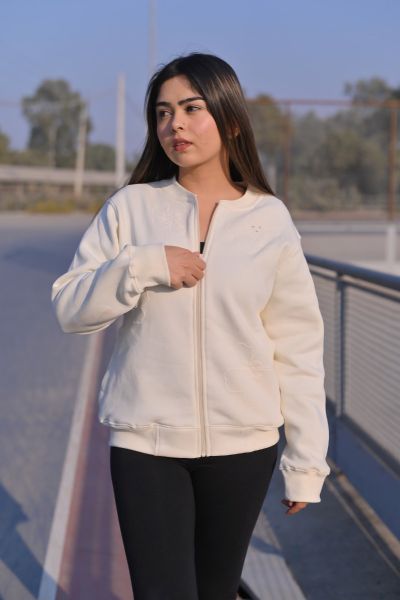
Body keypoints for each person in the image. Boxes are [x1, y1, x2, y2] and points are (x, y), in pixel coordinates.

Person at [51, 52, 330, 600]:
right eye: (163, 113)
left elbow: (297, 346)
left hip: (244, 449)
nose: (174, 124)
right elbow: (70, 309)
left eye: (191, 108)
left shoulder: (269, 219)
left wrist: (306, 462)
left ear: (230, 120)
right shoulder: (130, 209)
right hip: (146, 446)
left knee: (214, 591)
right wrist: (144, 265)